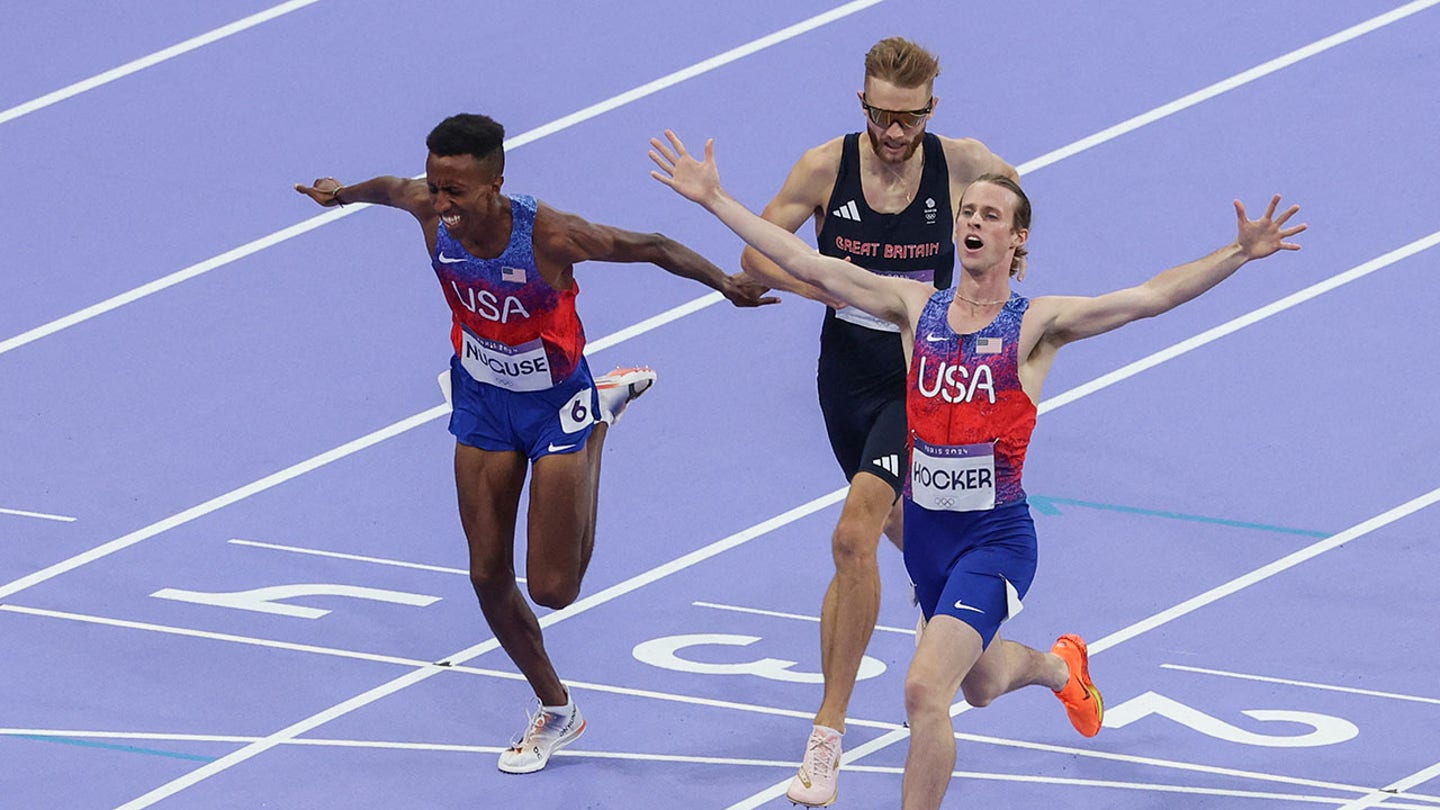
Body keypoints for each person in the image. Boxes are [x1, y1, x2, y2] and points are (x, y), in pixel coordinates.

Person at [649, 130, 1305, 808]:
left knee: (922, 690)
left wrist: (1239, 253)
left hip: (995, 541)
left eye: (991, 216)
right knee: (982, 685)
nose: (974, 223)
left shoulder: (1037, 325)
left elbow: (1149, 297)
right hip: (929, 543)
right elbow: (805, 261)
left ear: (1017, 240)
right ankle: (1059, 667)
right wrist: (714, 199)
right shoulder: (915, 308)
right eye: (968, 213)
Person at [296, 113, 776, 775]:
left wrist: (725, 283)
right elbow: (390, 187)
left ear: (496, 182)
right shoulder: (425, 207)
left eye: (456, 192)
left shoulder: (550, 235)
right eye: (436, 187)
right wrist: (342, 192)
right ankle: (556, 709)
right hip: (484, 402)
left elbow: (654, 245)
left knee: (555, 588)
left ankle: (600, 421)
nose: (442, 205)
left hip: (556, 408)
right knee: (485, 573)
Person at [731, 36, 1017, 805]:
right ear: (864, 104)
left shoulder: (964, 165)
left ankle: (827, 739)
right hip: (844, 381)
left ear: (931, 107)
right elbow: (759, 258)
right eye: (880, 117)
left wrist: (980, 316)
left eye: (908, 120)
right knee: (938, 597)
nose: (893, 135)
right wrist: (829, 292)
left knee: (854, 534)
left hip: (921, 381)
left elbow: (1015, 234)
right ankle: (1045, 665)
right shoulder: (826, 167)